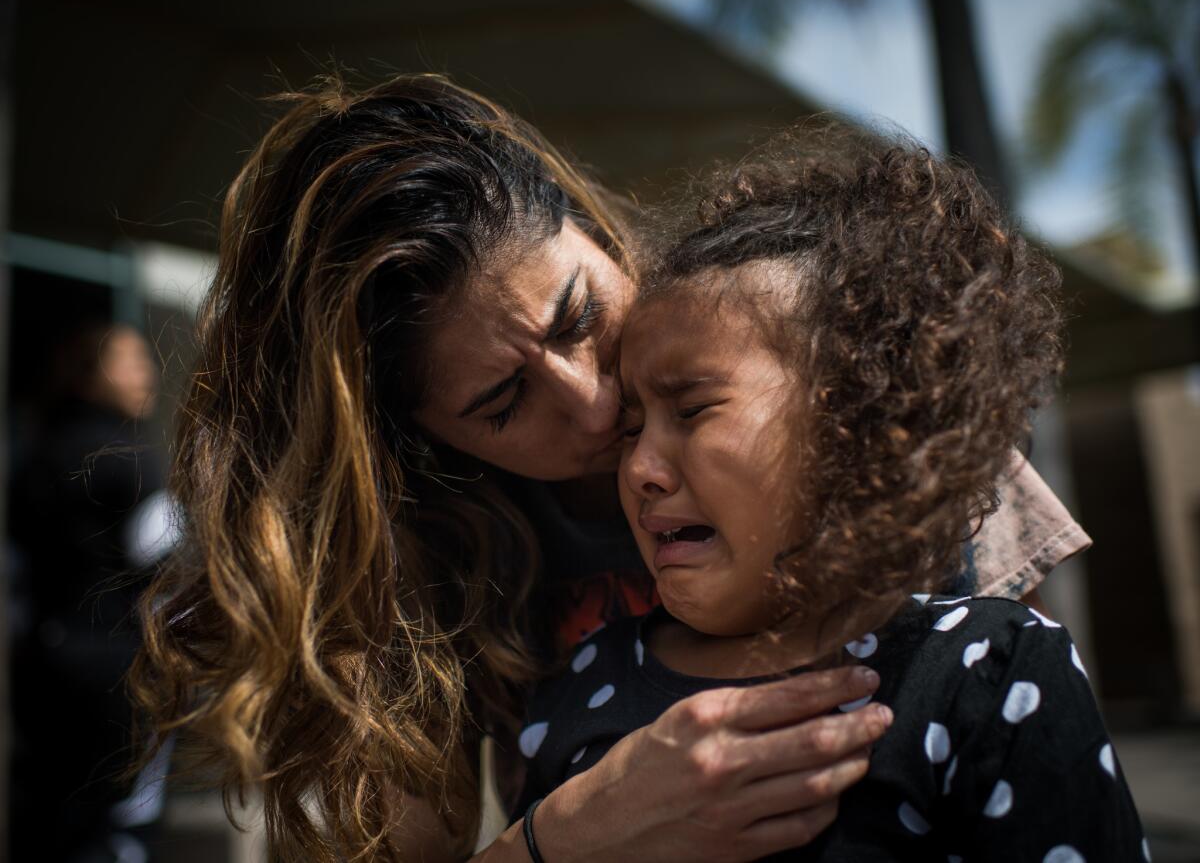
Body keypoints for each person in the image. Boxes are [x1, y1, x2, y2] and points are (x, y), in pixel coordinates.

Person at [129, 74, 1089, 862]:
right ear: (421, 445)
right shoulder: (413, 587)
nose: (595, 403)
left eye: (579, 314)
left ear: (591, 227)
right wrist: (574, 834)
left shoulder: (859, 386)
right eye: (503, 404)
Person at [516, 136, 1144, 861]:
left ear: (857, 419)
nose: (640, 469)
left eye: (690, 410)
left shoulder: (990, 672)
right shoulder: (583, 681)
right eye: (632, 429)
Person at [10, 323, 170, 862]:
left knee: (52, 818)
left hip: (42, 661)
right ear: (92, 375)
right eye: (131, 361)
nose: (147, 372)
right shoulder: (128, 460)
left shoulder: (35, 454)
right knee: (118, 825)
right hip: (116, 671)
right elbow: (173, 560)